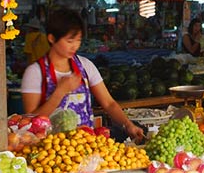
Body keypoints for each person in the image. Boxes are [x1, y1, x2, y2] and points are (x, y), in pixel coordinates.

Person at [20, 9, 144, 141]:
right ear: (51, 38)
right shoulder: (35, 72)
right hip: (50, 152)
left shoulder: (85, 65)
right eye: (69, 41)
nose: (75, 46)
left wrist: (128, 125)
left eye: (78, 40)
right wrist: (60, 92)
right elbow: (30, 121)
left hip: (85, 147)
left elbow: (108, 103)